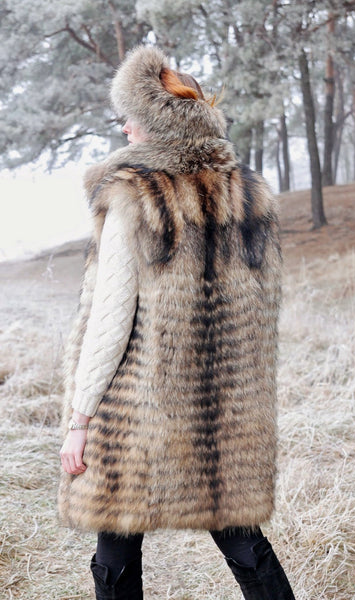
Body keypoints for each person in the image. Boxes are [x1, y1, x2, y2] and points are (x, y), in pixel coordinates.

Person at [58, 45, 296, 600]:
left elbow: (109, 318)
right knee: (242, 540)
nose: (123, 128)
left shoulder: (134, 195)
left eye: (130, 117)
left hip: (136, 406)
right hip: (223, 407)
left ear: (153, 123)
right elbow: (264, 312)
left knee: (115, 544)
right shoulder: (248, 193)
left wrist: (80, 418)